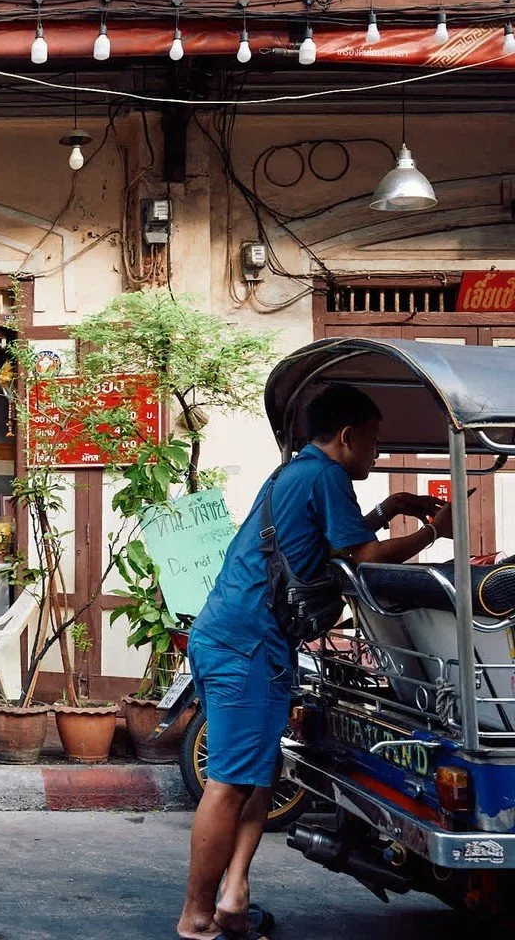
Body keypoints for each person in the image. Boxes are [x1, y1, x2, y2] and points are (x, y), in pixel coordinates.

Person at [176, 383, 452, 940]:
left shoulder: (295, 474)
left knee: (257, 773)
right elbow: (364, 559)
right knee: (230, 783)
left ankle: (232, 897)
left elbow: (322, 544)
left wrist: (389, 508)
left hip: (236, 636)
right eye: (373, 442)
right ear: (347, 437)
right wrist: (429, 533)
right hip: (247, 644)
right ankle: (196, 915)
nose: (377, 454)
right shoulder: (325, 476)